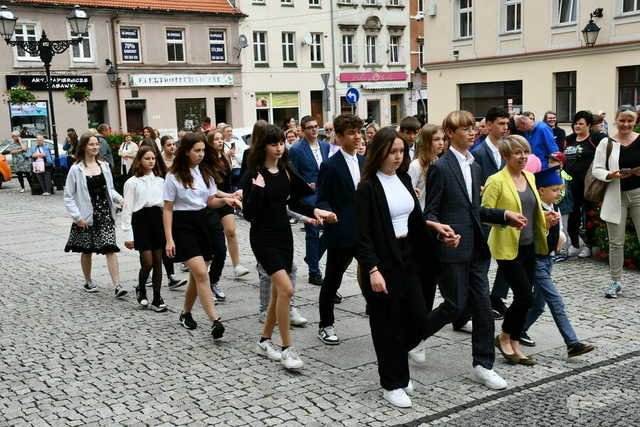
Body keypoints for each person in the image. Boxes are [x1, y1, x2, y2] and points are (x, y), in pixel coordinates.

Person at [424, 110, 519, 390]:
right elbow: (431, 211)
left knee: (482, 307)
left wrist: (504, 216)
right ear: (451, 134)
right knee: (454, 305)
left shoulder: (475, 166)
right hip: (452, 248)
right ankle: (415, 336)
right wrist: (444, 235)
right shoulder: (441, 167)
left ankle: (483, 364)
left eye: (472, 128)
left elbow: (475, 210)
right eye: (464, 129)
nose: (471, 132)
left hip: (477, 248)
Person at [355, 127, 439, 408]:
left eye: (402, 151)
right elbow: (362, 233)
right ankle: (392, 383)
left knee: (418, 317)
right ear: (379, 152)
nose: (398, 157)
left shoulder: (403, 178)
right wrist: (372, 270)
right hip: (382, 260)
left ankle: (397, 367)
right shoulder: (367, 187)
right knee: (387, 325)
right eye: (393, 152)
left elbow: (414, 219)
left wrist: (437, 231)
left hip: (409, 255)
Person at [242, 124, 336, 370]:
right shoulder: (254, 173)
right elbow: (249, 213)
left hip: (284, 235)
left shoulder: (285, 170)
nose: (279, 148)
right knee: (286, 289)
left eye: (281, 143)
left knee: (278, 294)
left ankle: (264, 341)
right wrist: (258, 190)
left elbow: (299, 198)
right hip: (262, 237)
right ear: (262, 146)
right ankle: (287, 348)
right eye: (274, 144)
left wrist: (316, 210)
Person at [482, 134, 559, 366]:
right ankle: (505, 336)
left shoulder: (529, 177)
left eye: (526, 152)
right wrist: (507, 218)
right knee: (525, 295)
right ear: (506, 156)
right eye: (517, 153)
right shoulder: (496, 180)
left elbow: (530, 209)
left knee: (525, 297)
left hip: (529, 245)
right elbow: (484, 213)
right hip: (507, 247)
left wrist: (546, 217)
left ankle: (513, 340)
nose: (523, 157)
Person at [163, 132, 240, 341]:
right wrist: (169, 239)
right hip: (182, 226)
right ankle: (215, 320)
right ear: (186, 152)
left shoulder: (204, 172)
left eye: (203, 150)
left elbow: (210, 201)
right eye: (197, 150)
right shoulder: (173, 176)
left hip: (203, 222)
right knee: (201, 273)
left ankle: (185, 312)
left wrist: (227, 201)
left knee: (198, 275)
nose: (201, 154)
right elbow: (168, 209)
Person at [517, 166, 595, 358]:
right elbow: (530, 236)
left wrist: (559, 236)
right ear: (541, 191)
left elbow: (559, 232)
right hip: (536, 262)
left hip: (548, 260)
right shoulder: (534, 210)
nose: (558, 193)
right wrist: (546, 227)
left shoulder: (555, 207)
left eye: (560, 189)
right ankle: (572, 343)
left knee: (538, 304)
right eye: (554, 190)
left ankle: (516, 330)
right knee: (556, 301)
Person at [316, 114, 365, 345]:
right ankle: (325, 324)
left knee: (373, 273)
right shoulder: (330, 166)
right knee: (332, 280)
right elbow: (322, 200)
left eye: (359, 131)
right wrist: (328, 213)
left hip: (364, 232)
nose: (357, 137)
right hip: (341, 232)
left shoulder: (365, 162)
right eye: (352, 133)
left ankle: (379, 314)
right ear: (338, 137)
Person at [63, 133, 126, 297]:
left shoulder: (104, 166)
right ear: (84, 146)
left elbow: (110, 189)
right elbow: (68, 196)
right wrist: (77, 217)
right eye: (91, 144)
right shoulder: (76, 169)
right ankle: (88, 280)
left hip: (104, 212)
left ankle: (117, 285)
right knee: (87, 249)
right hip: (86, 215)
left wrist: (120, 199)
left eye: (96, 144)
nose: (95, 147)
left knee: (110, 248)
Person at [592, 106, 640, 299]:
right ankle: (615, 281)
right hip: (615, 194)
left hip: (638, 194)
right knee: (616, 242)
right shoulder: (607, 143)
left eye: (630, 121)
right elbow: (596, 169)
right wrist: (609, 174)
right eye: (622, 120)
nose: (626, 124)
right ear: (615, 121)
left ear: (635, 122)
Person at [470, 107, 510, 319]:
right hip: (485, 213)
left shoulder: (508, 150)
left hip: (504, 213)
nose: (505, 128)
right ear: (489, 124)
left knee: (507, 257)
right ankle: (481, 301)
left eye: (506, 124)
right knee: (483, 259)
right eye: (501, 124)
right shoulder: (477, 153)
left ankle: (497, 296)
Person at [121, 145, 168, 312]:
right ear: (140, 160)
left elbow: (166, 206)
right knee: (147, 262)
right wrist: (128, 234)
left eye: (153, 158)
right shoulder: (131, 182)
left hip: (157, 220)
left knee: (158, 261)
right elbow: (127, 209)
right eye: (147, 158)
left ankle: (157, 297)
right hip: (140, 221)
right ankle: (141, 288)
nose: (151, 161)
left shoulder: (160, 181)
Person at [288, 115, 330, 285]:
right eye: (310, 127)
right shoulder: (297, 150)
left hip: (325, 194)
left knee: (332, 228)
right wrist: (305, 185)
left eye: (316, 126)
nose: (314, 130)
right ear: (303, 130)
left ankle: (312, 257)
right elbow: (292, 174)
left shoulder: (325, 146)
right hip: (309, 196)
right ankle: (314, 272)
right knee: (313, 231)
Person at [208, 130, 250, 283]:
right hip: (213, 200)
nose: (219, 141)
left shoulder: (225, 157)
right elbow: (211, 189)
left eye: (221, 139)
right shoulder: (206, 161)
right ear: (210, 142)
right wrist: (227, 196)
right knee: (214, 237)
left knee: (231, 231)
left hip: (227, 198)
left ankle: (237, 265)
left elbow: (229, 180)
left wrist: (233, 194)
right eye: (216, 139)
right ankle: (210, 265)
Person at [563, 110, 605, 258]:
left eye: (581, 124)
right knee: (572, 215)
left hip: (589, 185)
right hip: (571, 185)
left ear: (588, 125)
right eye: (575, 123)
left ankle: (589, 245)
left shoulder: (596, 138)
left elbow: (611, 149)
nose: (577, 126)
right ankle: (574, 243)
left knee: (589, 215)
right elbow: (564, 159)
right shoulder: (569, 139)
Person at [408, 124, 444, 210]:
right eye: (436, 139)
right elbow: (409, 194)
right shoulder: (415, 165)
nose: (441, 143)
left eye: (443, 139)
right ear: (426, 141)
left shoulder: (438, 161)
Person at [222, 125, 247, 190]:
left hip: (237, 169)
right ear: (223, 133)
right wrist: (227, 154)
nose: (230, 133)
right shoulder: (221, 144)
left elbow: (243, 159)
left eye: (231, 131)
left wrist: (234, 155)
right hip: (226, 171)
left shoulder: (238, 143)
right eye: (227, 131)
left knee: (236, 188)